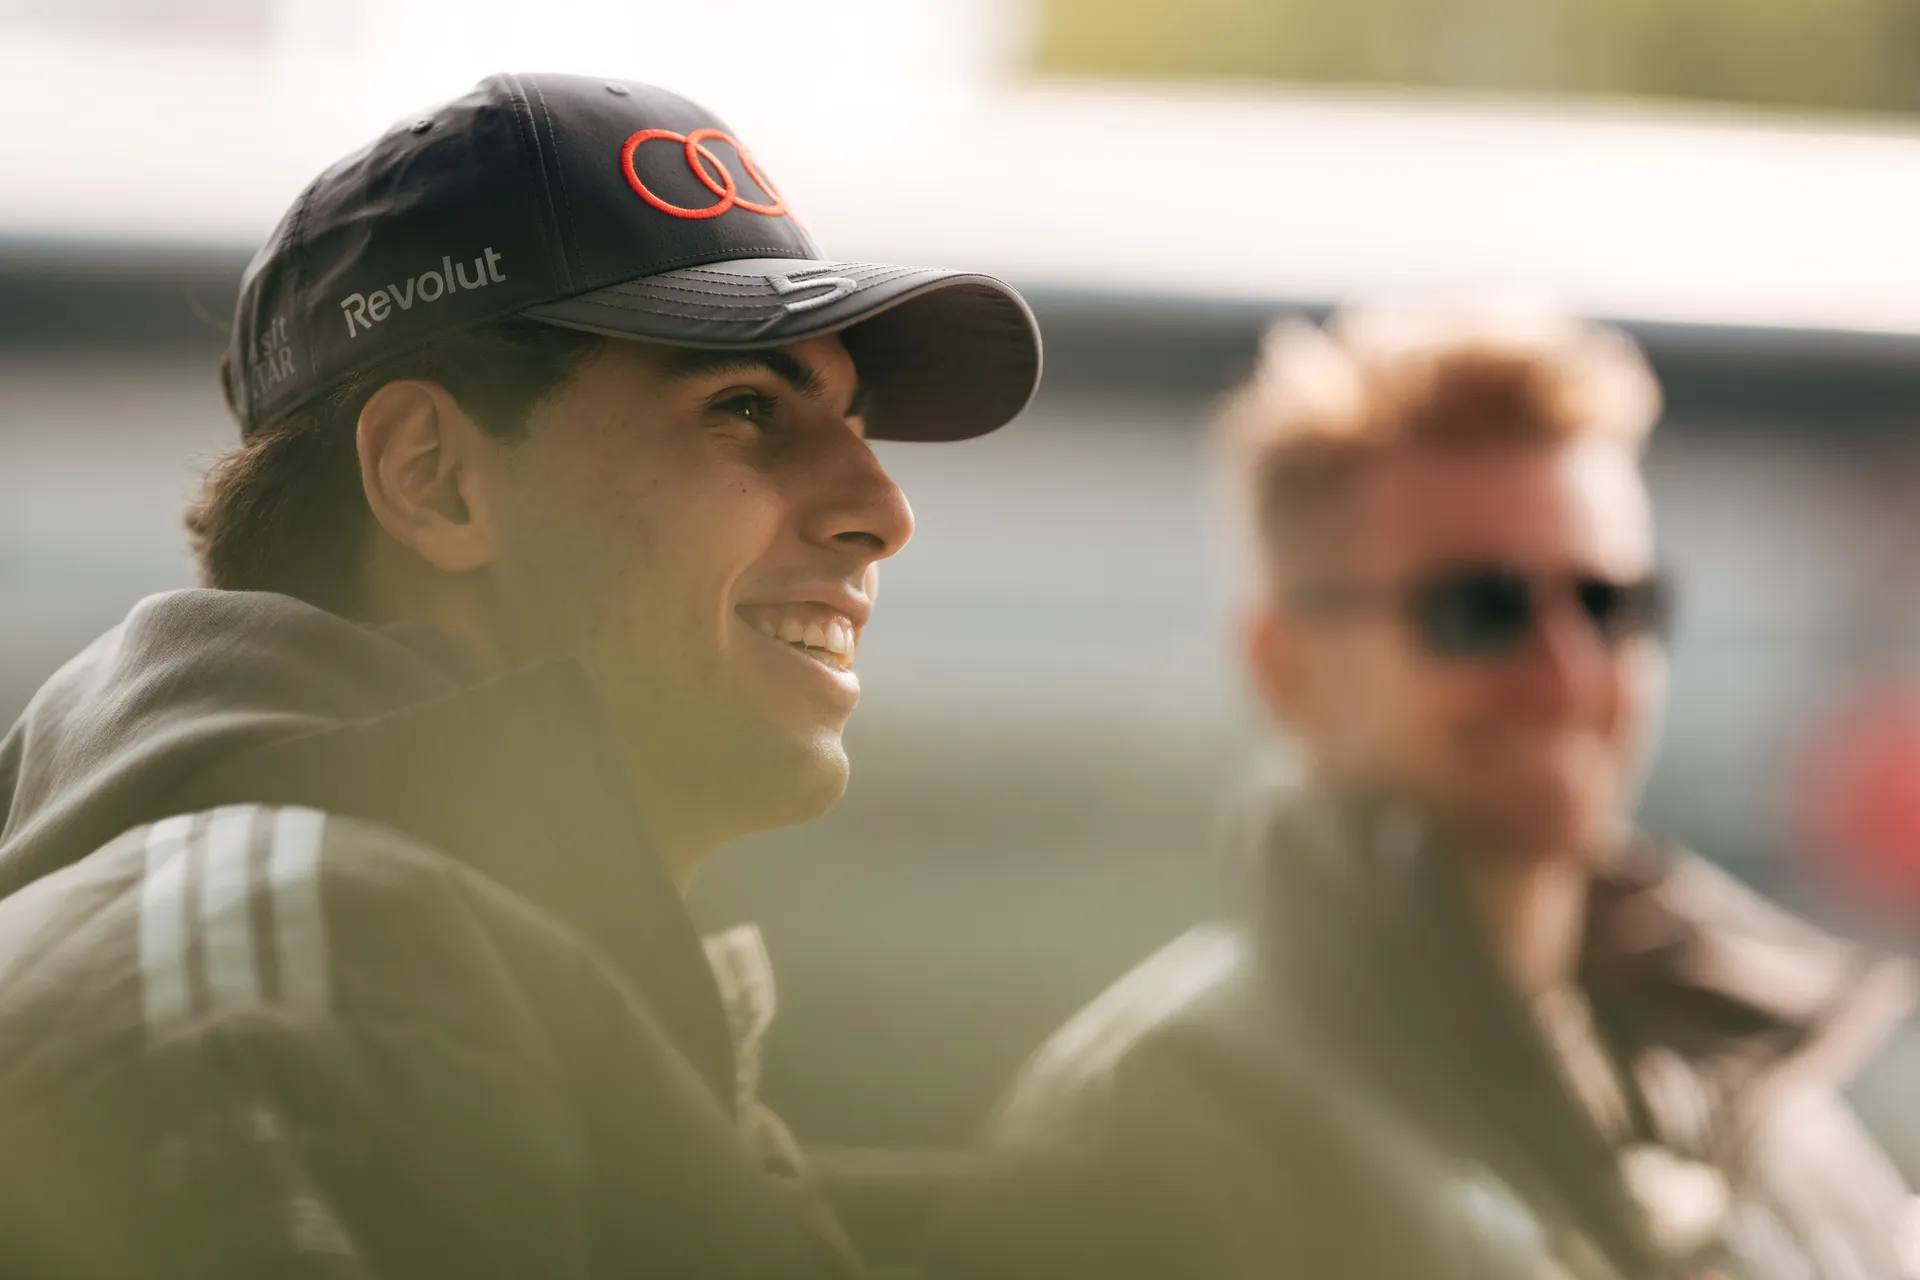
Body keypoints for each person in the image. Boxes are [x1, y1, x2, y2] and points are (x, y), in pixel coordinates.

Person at [0, 73, 1039, 1277]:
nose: (883, 509)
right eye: (748, 406)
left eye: (854, 421)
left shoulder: (394, 965)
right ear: (436, 478)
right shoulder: (307, 979)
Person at [931, 306, 1916, 1279]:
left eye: (1612, 601)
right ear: (1286, 667)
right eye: (1483, 607)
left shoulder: (1735, 1079)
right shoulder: (1158, 1124)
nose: (1570, 667)